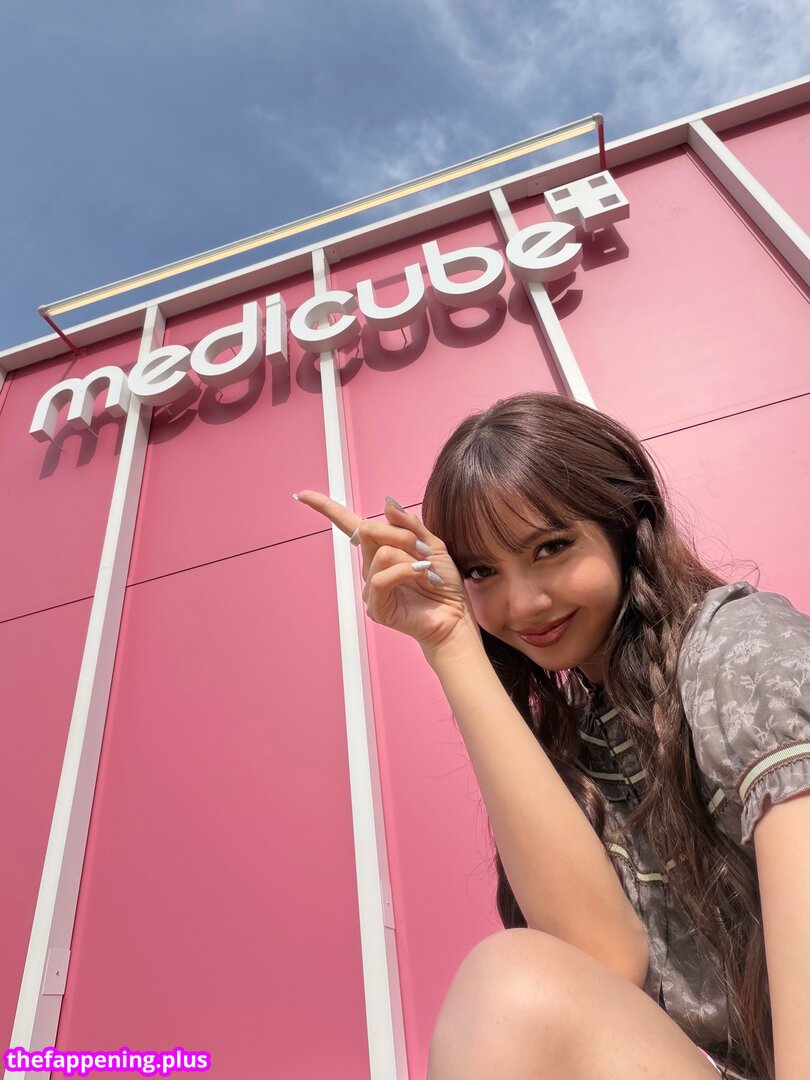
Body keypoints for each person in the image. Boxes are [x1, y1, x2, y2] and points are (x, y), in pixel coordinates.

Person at [294, 391, 810, 1080]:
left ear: (626, 523)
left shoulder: (739, 650)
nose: (524, 603)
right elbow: (601, 964)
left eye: (551, 548)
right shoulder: (586, 745)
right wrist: (450, 640)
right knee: (512, 989)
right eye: (482, 572)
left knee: (510, 984)